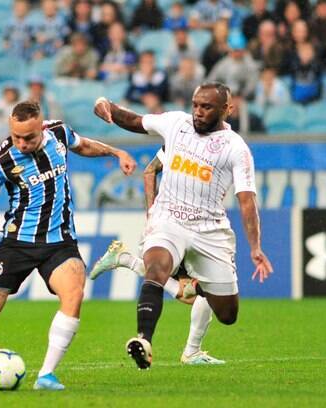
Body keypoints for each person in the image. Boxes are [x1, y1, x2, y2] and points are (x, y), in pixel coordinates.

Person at [0, 100, 136, 390]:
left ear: (41, 127)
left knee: (74, 294)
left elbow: (84, 145)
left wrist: (117, 151)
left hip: (60, 242)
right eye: (16, 137)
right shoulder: (0, 162)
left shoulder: (59, 133)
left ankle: (46, 375)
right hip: (17, 244)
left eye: (29, 137)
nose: (22, 143)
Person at [93, 82, 273, 369]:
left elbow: (247, 200)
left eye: (206, 107)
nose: (198, 112)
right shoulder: (176, 123)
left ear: (228, 109)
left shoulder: (236, 148)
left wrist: (255, 247)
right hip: (169, 220)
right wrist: (107, 107)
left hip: (210, 230)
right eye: (195, 105)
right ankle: (144, 340)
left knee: (227, 314)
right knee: (156, 268)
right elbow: (136, 121)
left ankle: (128, 261)